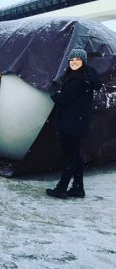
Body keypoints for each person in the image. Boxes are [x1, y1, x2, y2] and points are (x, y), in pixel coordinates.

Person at [46, 47, 101, 199]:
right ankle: (78, 187)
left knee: (69, 156)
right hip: (77, 122)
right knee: (75, 155)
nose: (74, 62)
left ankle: (62, 188)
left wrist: (54, 94)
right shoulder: (87, 76)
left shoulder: (78, 79)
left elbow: (63, 99)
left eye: (78, 59)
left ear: (83, 61)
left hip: (70, 123)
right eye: (72, 59)